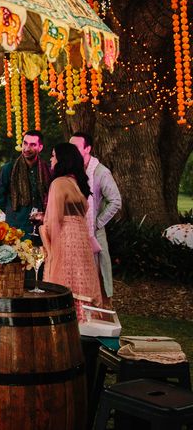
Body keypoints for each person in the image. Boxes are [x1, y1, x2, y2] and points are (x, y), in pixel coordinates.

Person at [41, 142, 102, 321]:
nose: (51, 159)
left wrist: (43, 230)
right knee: (80, 279)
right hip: (81, 242)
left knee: (65, 281)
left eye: (53, 155)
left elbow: (55, 220)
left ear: (61, 159)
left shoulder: (59, 183)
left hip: (66, 239)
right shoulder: (77, 183)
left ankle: (65, 324)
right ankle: (85, 321)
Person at [70, 131, 122, 306]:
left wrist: (97, 223)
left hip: (93, 233)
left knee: (99, 277)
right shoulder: (72, 172)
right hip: (74, 233)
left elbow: (115, 201)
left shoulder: (100, 172)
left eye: (76, 147)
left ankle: (102, 317)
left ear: (88, 149)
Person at [0, 129, 52, 243]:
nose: (27, 148)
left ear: (40, 147)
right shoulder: (9, 169)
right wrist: (14, 211)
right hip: (16, 230)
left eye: (32, 144)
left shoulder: (48, 170)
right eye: (25, 143)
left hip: (41, 230)